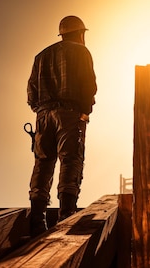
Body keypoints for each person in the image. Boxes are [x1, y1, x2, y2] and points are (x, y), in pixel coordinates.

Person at [26, 15, 97, 237]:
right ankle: (66, 216)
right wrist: (85, 110)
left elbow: (31, 92)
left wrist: (41, 110)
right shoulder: (81, 52)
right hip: (69, 113)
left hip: (43, 116)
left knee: (43, 163)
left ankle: (37, 220)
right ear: (80, 33)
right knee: (71, 159)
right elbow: (89, 85)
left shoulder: (41, 56)